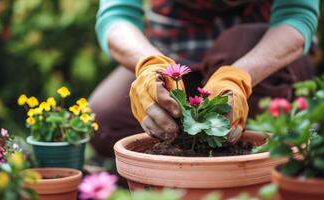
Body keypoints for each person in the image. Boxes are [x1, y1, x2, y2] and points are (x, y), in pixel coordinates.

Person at [90, 0, 320, 157]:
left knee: (235, 47)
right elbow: (118, 15)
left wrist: (237, 78)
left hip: (262, 48)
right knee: (107, 119)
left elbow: (296, 14)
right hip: (176, 47)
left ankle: (248, 174)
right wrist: (149, 63)